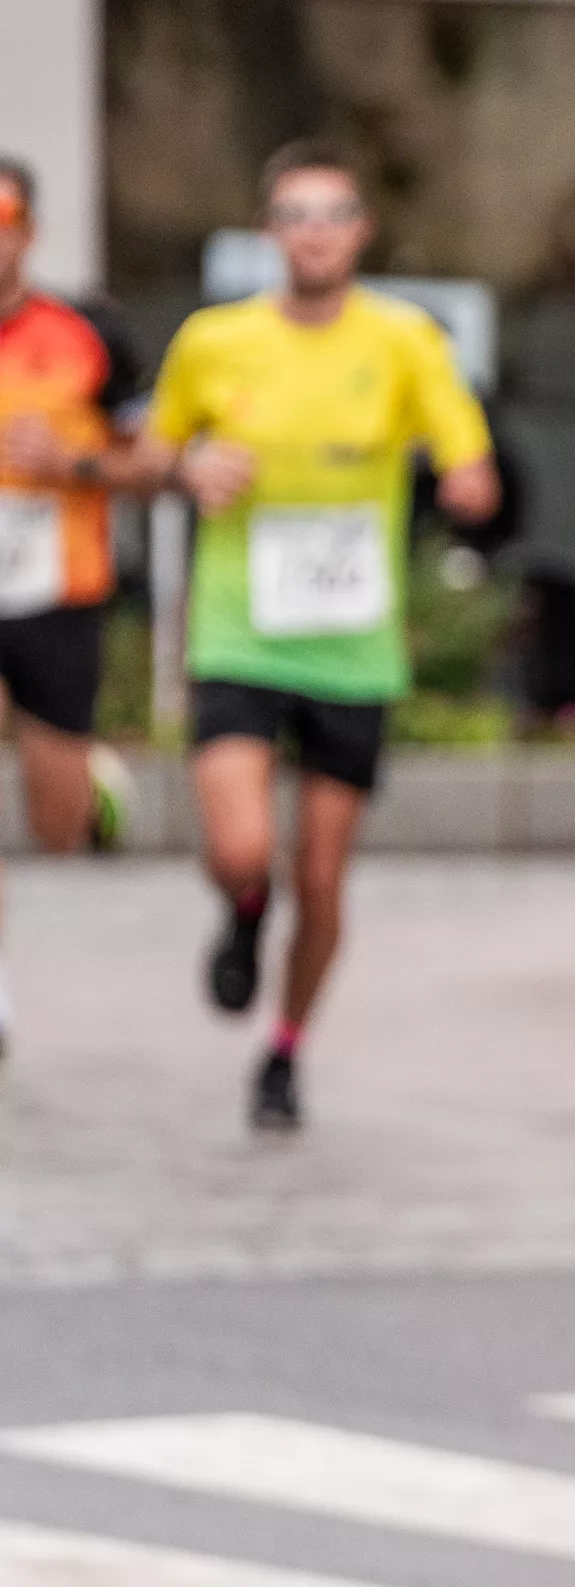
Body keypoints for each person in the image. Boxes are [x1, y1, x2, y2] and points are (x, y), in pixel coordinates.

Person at [127, 139, 498, 1133]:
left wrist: (466, 485)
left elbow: (473, 464)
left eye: (335, 212)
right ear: (270, 233)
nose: (317, 232)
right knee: (244, 845)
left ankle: (285, 1048)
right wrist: (187, 468)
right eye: (296, 213)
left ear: (362, 231)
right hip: (240, 626)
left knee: (324, 873)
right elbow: (147, 456)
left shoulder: (406, 340)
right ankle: (244, 909)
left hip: (350, 642)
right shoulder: (214, 340)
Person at [0, 156, 149, 1057]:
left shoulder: (88, 334)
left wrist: (73, 465)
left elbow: (152, 462)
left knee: (52, 825)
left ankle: (92, 794)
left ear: (28, 230)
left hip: (57, 590)